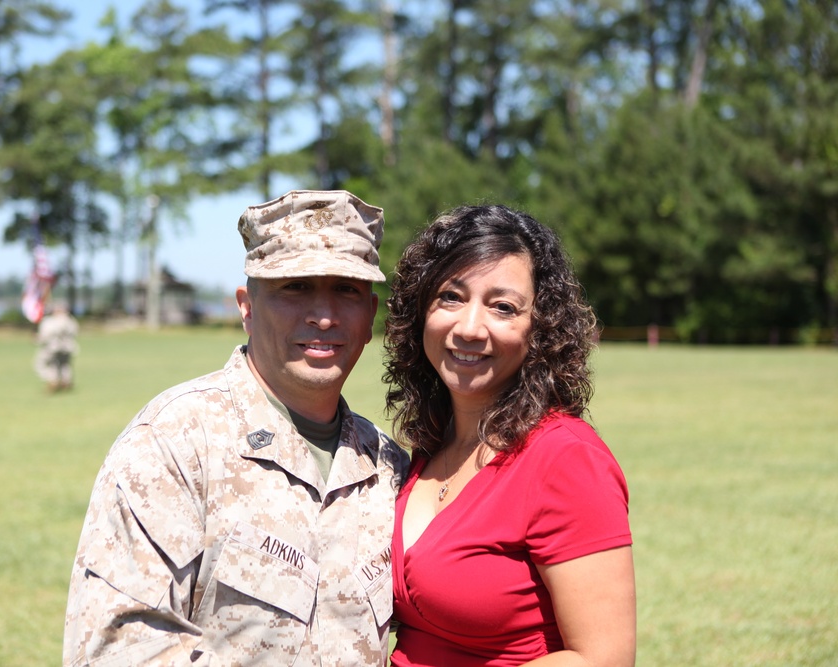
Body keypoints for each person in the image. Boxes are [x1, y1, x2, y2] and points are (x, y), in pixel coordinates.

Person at [63, 190, 409, 667]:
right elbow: (118, 649)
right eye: (295, 286)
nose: (324, 315)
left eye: (346, 289)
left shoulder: (389, 468)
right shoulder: (175, 443)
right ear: (246, 306)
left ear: (371, 315)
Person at [383, 204, 635, 666]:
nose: (470, 328)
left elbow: (604, 658)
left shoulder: (566, 458)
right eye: (451, 297)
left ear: (540, 328)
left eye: (503, 307)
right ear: (421, 311)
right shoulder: (433, 445)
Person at [35, 300, 79, 392]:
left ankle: (54, 382)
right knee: (65, 366)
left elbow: (45, 336)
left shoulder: (51, 322)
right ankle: (65, 382)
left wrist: (37, 339)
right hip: (67, 348)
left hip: (53, 347)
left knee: (51, 365)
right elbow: (75, 332)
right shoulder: (70, 321)